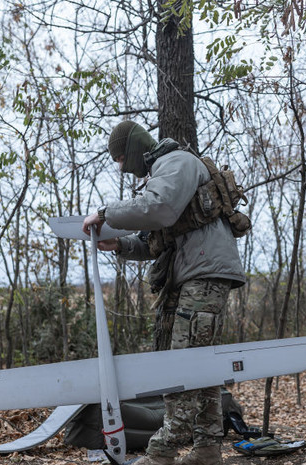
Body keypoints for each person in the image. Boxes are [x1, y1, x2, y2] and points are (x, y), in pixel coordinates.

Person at [83, 120, 246, 465]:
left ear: (135, 149)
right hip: (193, 273)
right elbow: (157, 239)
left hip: (203, 273)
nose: (122, 167)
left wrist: (104, 213)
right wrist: (120, 245)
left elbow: (159, 209)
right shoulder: (165, 171)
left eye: (122, 159)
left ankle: (163, 452)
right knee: (202, 367)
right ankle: (206, 449)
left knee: (182, 363)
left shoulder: (177, 163)